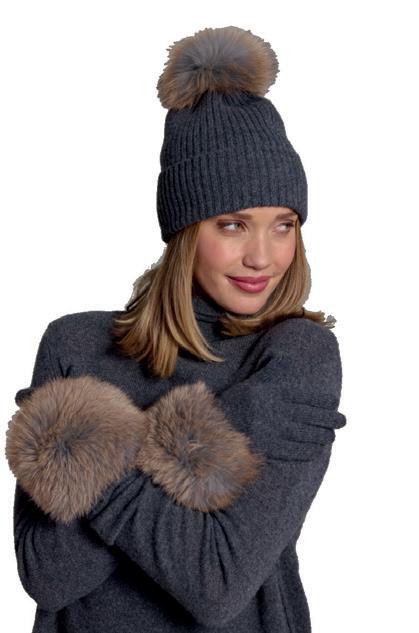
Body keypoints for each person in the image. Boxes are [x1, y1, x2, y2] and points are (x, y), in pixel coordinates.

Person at [5, 25, 347, 633]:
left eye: (285, 224)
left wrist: (97, 445)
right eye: (233, 224)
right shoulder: (74, 344)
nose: (263, 257)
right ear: (186, 231)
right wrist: (215, 427)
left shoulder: (295, 354)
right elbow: (51, 575)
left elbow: (216, 584)